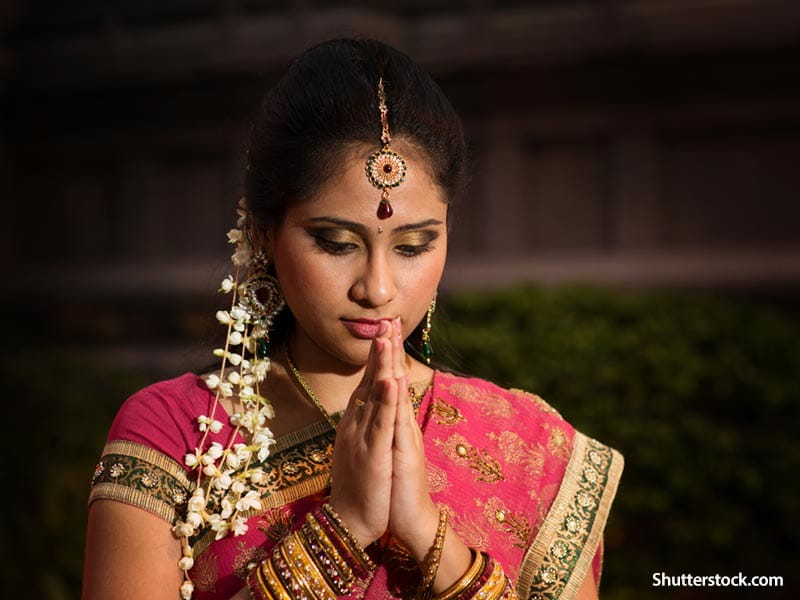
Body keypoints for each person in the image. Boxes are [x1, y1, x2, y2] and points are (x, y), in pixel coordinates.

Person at [82, 38, 623, 600]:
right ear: (266, 233)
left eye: (414, 246)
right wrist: (342, 529)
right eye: (336, 242)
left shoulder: (528, 444)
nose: (379, 288)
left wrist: (430, 538)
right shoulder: (174, 435)